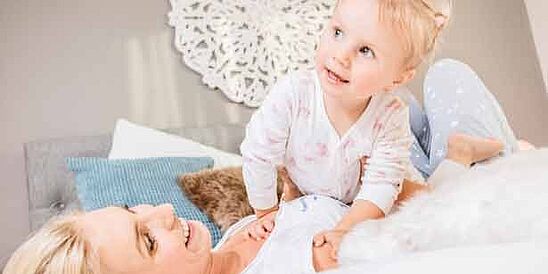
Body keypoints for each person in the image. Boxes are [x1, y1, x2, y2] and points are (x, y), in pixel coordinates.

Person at [4, 55, 526, 273]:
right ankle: (475, 159)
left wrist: (296, 192)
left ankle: (462, 153)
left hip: (380, 173)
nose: (163, 208)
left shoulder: (227, 242)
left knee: (402, 103)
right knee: (448, 76)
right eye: (147, 241)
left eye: (133, 208)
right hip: (411, 198)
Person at [240, 0, 453, 251]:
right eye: (338, 33)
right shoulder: (293, 94)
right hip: (308, 187)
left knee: (431, 200)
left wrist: (344, 229)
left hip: (372, 186)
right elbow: (258, 153)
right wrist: (266, 212)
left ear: (398, 77)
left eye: (365, 51)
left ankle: (458, 154)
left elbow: (381, 187)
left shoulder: (390, 117)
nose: (340, 56)